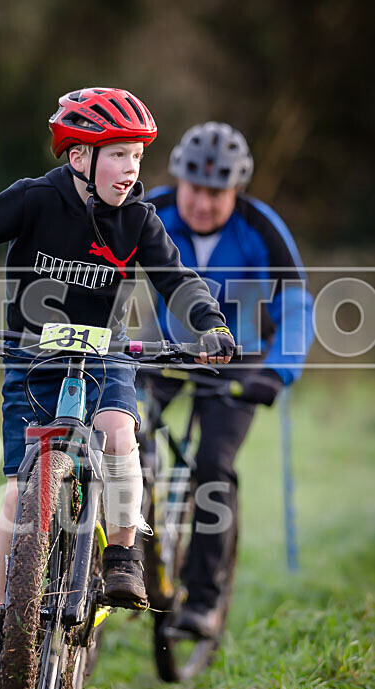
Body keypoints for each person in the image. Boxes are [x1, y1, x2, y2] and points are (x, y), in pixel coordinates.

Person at [0, 91, 236, 689]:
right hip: (31, 357)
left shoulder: (139, 219)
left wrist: (208, 323)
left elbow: (177, 279)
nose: (130, 170)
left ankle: (122, 555)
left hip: (104, 358)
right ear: (78, 159)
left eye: (137, 157)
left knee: (121, 434)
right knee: (19, 499)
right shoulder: (34, 198)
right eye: (117, 155)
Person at [142, 121, 313, 639]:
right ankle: (126, 552)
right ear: (180, 181)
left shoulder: (259, 227)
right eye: (196, 189)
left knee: (212, 464)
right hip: (166, 345)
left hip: (241, 357)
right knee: (123, 431)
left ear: (236, 190)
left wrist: (278, 372)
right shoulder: (151, 211)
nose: (204, 203)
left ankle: (204, 599)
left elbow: (296, 306)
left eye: (217, 192)